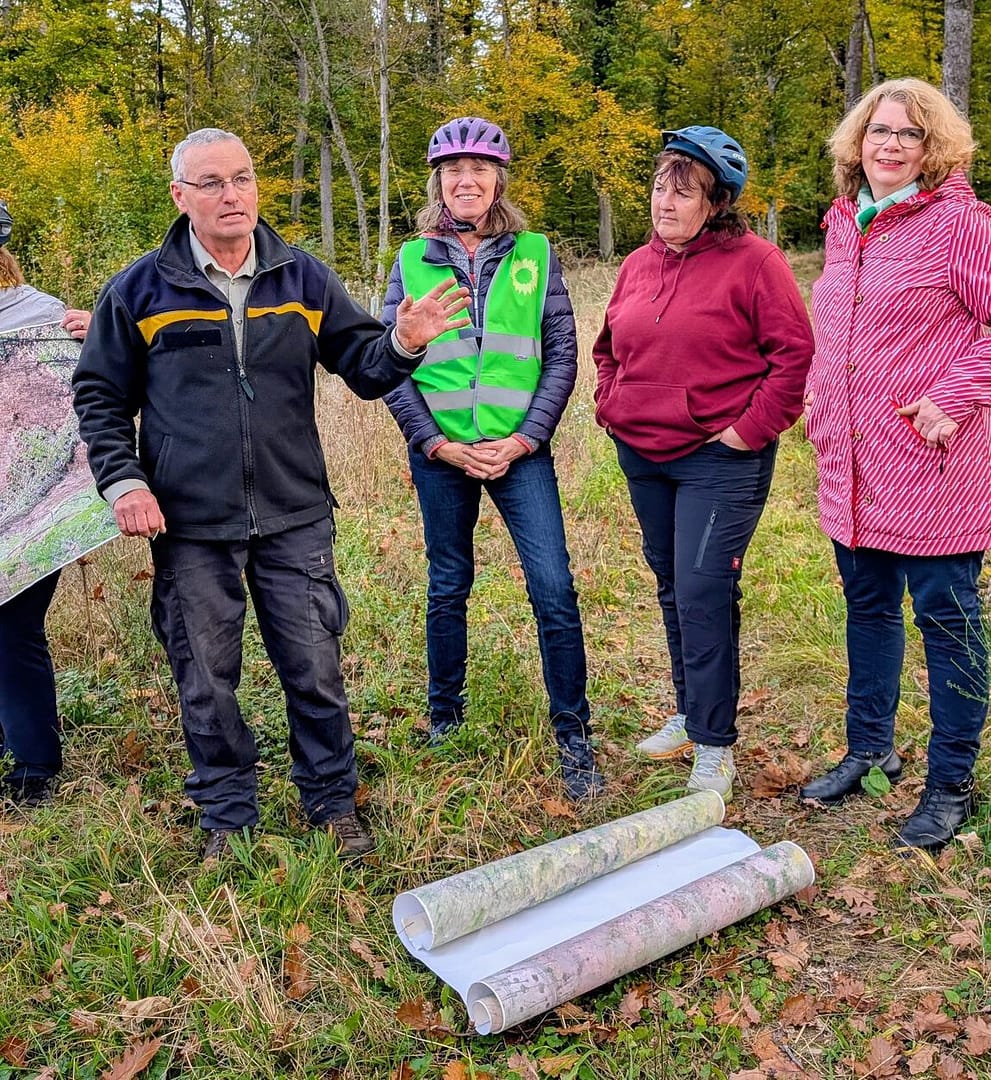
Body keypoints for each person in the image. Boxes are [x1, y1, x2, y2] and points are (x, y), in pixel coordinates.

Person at [72, 128, 470, 863]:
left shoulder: (303, 277)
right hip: (189, 522)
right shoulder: (139, 289)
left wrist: (406, 342)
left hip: (293, 512)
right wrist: (125, 480)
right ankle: (227, 813)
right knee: (205, 678)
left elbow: (365, 368)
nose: (233, 195)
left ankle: (330, 800)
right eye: (213, 182)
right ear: (180, 196)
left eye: (244, 178)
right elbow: (99, 394)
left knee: (314, 665)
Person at [380, 116, 604, 801]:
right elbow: (389, 365)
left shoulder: (536, 254)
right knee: (448, 585)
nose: (465, 181)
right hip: (442, 452)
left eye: (478, 169)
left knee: (553, 589)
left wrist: (525, 438)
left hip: (518, 450)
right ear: (438, 182)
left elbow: (561, 354)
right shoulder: (411, 259)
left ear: (497, 178)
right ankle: (444, 719)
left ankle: (573, 733)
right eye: (452, 171)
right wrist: (436, 442)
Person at [593, 127, 814, 802]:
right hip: (643, 453)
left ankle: (715, 747)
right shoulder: (637, 263)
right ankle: (691, 715)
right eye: (660, 186)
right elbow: (608, 346)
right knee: (671, 586)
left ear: (716, 202)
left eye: (682, 191)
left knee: (701, 591)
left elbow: (794, 356)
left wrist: (748, 433)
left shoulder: (755, 263)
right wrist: (610, 403)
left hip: (717, 461)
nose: (665, 201)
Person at [799, 79, 991, 853]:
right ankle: (869, 748)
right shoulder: (845, 224)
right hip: (853, 470)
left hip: (932, 465)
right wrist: (817, 399)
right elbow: (837, 332)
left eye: (907, 135)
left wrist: (956, 393)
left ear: (931, 148)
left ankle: (950, 782)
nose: (888, 145)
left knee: (946, 621)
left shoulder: (962, 225)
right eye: (878, 130)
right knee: (867, 608)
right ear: (858, 140)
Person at [0, 198, 91, 808]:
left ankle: (35, 764)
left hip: (32, 506)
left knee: (12, 628)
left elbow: (93, 396)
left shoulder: (44, 318)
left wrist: (100, 334)